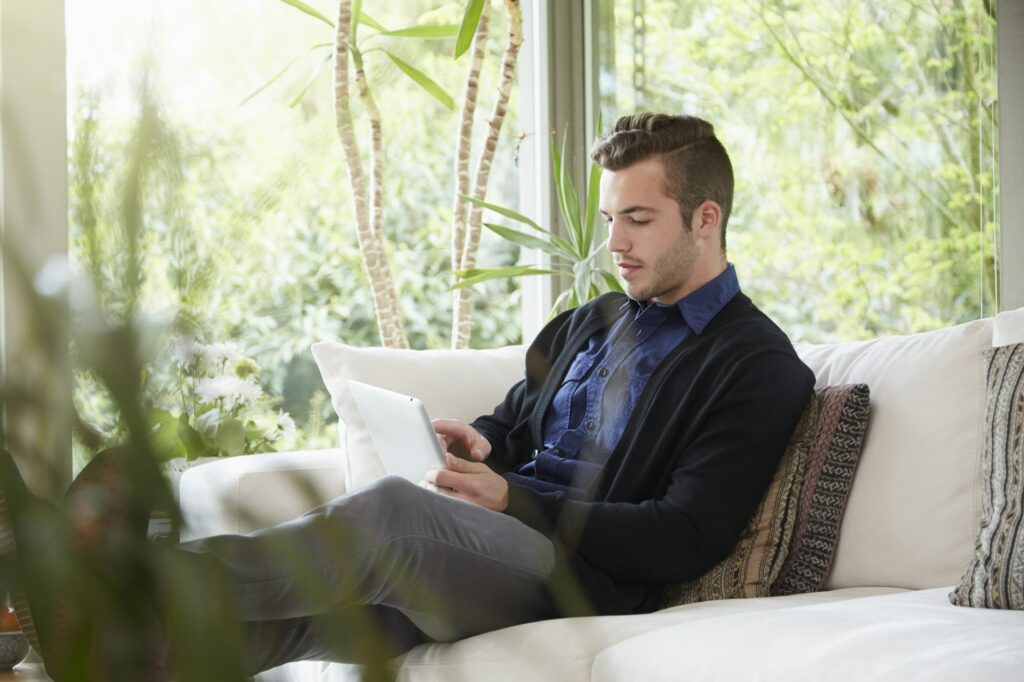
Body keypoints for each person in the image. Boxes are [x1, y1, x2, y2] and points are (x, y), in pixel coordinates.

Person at [0, 112, 814, 678]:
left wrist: (510, 504)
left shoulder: (757, 365)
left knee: (395, 518)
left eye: (638, 220)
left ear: (706, 219)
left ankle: (127, 581)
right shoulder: (593, 320)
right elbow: (517, 417)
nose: (613, 244)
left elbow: (684, 536)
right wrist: (485, 445)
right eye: (609, 219)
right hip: (494, 543)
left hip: (585, 575)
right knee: (327, 617)